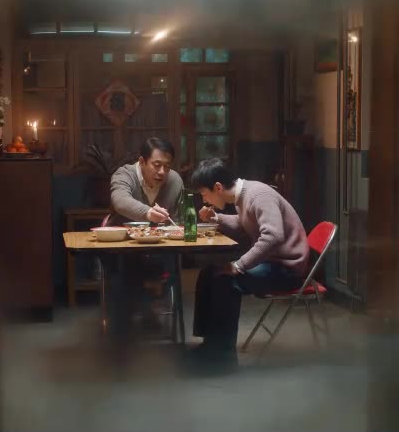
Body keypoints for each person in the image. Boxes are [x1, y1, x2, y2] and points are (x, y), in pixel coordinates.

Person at [188, 158, 309, 369]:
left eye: (204, 193)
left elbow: (273, 237)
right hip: (272, 262)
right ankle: (210, 344)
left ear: (218, 187)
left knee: (225, 281)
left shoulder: (258, 195)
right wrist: (217, 218)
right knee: (208, 273)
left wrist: (239, 265)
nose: (203, 199)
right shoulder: (243, 195)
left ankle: (223, 358)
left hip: (287, 269)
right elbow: (243, 221)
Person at [105, 137, 183, 348]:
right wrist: (148, 213)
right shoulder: (125, 174)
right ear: (142, 161)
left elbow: (178, 219)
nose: (162, 172)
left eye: (167, 166)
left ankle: (148, 308)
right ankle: (121, 337)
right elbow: (120, 201)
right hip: (124, 247)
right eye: (156, 165)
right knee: (123, 274)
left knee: (169, 267)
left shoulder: (174, 181)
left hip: (159, 247)